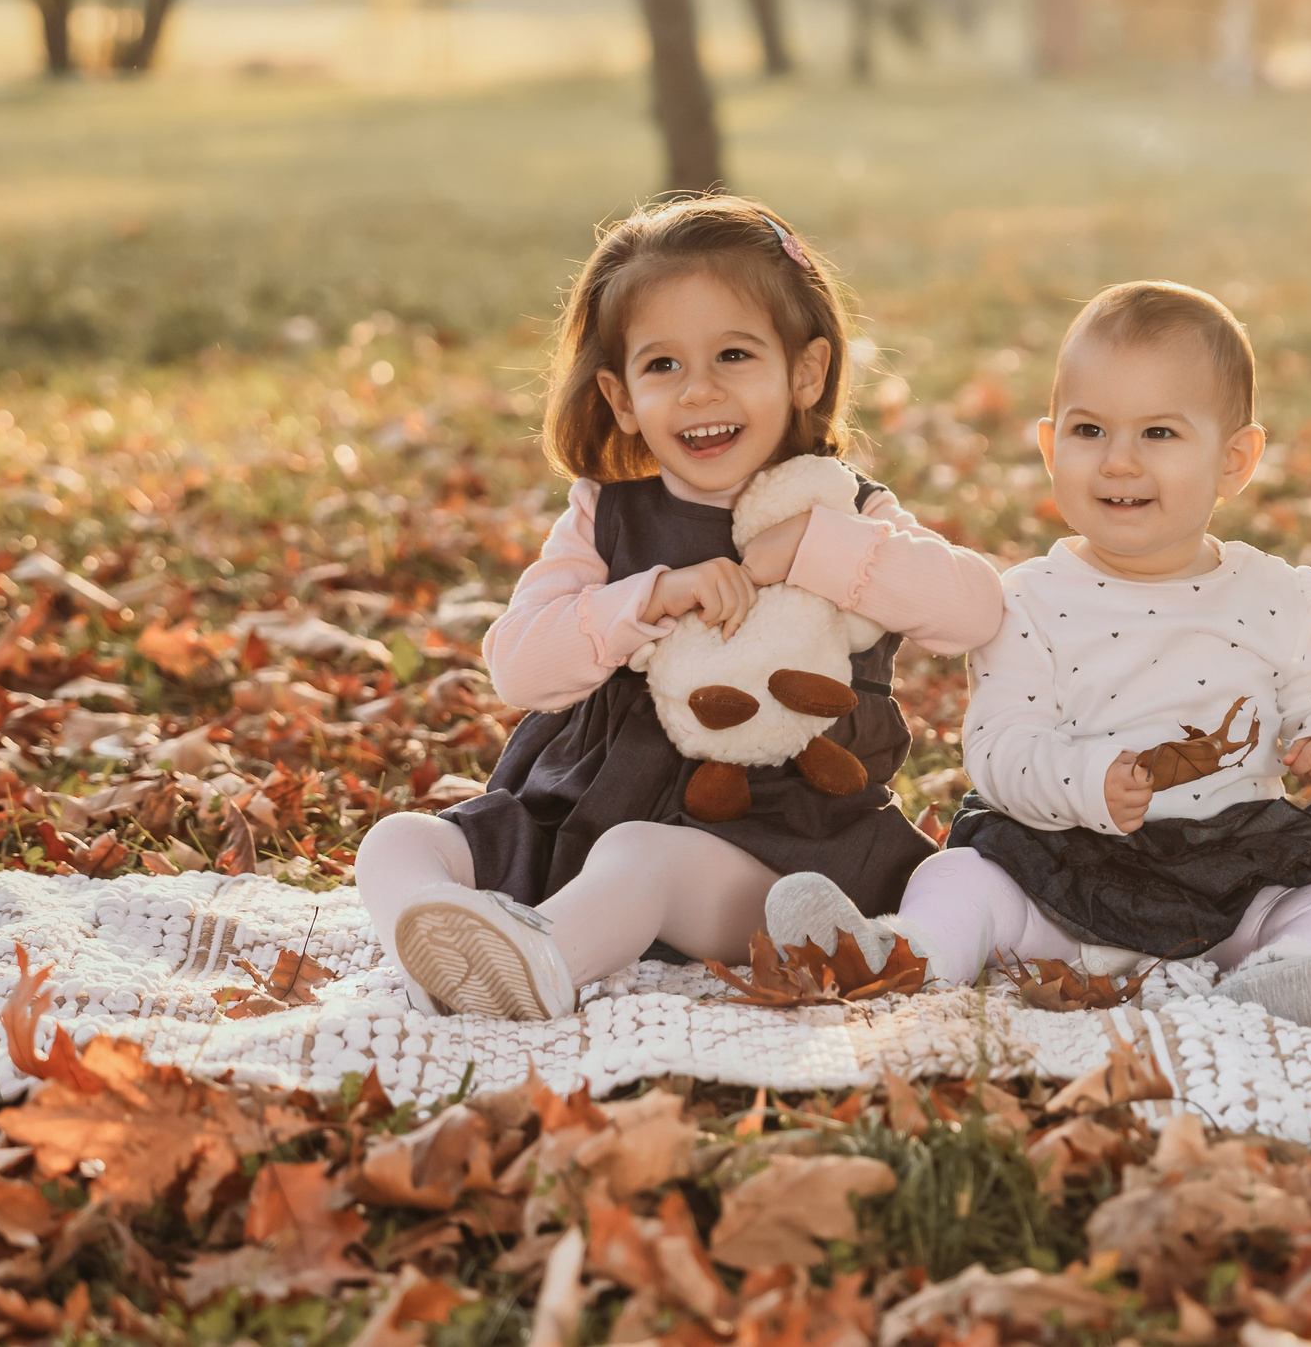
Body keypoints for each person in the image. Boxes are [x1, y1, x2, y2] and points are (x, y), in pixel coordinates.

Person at [353, 198, 1004, 1021]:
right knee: (399, 840)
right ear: (620, 397)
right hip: (581, 821)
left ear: (804, 373)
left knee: (642, 858)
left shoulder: (844, 510)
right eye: (663, 366)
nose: (700, 391)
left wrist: (817, 547)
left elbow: (975, 609)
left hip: (767, 853)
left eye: (734, 354)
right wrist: (646, 598)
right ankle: (442, 955)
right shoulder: (605, 516)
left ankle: (543, 960)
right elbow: (518, 664)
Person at [766, 281, 1311, 1025]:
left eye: (1159, 434)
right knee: (962, 875)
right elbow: (998, 743)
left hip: (1236, 873)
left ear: (1235, 459)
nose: (1118, 461)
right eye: (1090, 431)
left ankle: (1294, 971)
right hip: (1066, 871)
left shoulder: (1278, 596)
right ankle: (902, 954)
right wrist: (1085, 781)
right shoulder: (1029, 601)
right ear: (1051, 446)